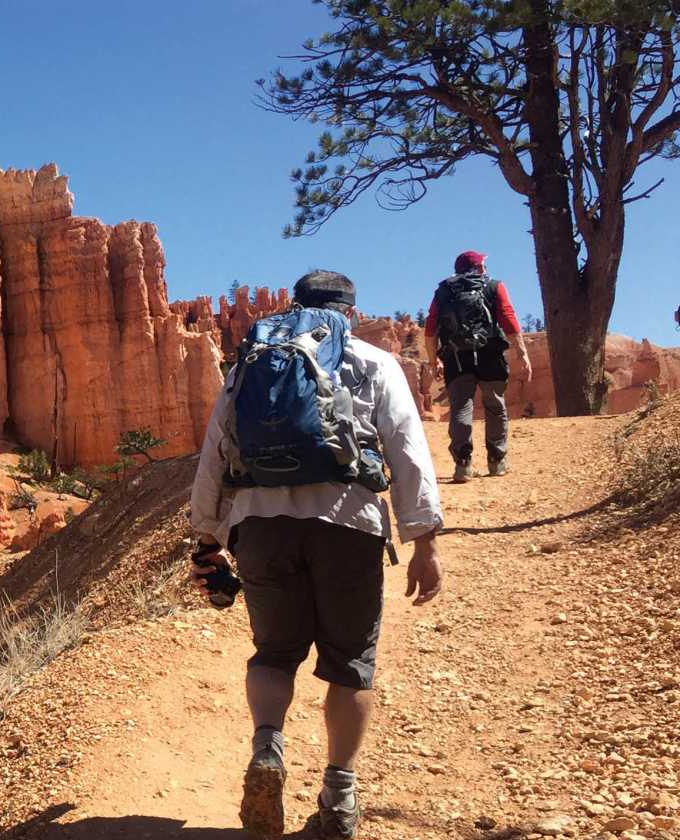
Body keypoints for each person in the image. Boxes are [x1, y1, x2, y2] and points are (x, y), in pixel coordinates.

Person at [190, 270, 445, 838]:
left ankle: (267, 748)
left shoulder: (250, 366)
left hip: (260, 525)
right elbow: (407, 450)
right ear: (348, 312)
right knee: (351, 662)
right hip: (347, 524)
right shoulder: (374, 362)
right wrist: (423, 537)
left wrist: (207, 536)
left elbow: (215, 452)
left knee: (274, 653)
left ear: (294, 307)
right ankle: (339, 795)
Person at [425, 250, 530, 482]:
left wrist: (434, 361)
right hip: (490, 354)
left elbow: (430, 329)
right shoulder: (494, 286)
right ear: (479, 267)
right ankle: (497, 461)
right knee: (495, 406)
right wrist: (522, 353)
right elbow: (508, 318)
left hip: (457, 357)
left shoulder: (443, 291)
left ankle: (462, 465)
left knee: (461, 407)